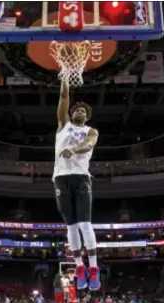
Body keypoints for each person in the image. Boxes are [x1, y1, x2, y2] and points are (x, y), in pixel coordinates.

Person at [53, 81, 100, 291]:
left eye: (83, 110)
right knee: (70, 226)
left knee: (85, 224)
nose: (79, 111)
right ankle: (80, 267)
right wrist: (65, 77)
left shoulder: (91, 131)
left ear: (86, 116)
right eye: (76, 109)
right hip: (61, 178)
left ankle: (94, 269)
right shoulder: (64, 125)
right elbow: (64, 98)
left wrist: (74, 150)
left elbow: (89, 144)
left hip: (81, 177)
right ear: (71, 115)